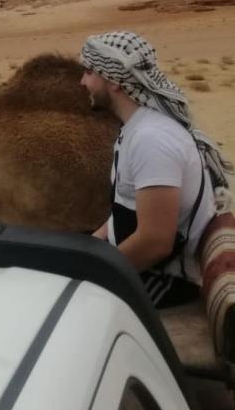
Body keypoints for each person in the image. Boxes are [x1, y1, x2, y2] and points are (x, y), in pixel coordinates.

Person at [80, 30, 232, 309]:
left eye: (89, 71)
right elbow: (123, 210)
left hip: (164, 278)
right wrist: (90, 247)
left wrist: (93, 274)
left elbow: (155, 243)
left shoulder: (152, 140)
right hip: (138, 263)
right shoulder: (137, 128)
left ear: (114, 80)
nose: (82, 81)